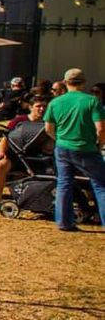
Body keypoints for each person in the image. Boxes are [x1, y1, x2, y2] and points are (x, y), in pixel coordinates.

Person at [43, 68, 105, 230]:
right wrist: (99, 144)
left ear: (65, 82)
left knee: (64, 183)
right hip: (87, 147)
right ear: (84, 82)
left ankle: (64, 222)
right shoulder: (92, 101)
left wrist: (59, 139)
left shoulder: (55, 102)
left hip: (63, 147)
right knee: (100, 185)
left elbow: (48, 128)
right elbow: (100, 128)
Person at [0, 97, 53, 210]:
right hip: (16, 155)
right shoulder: (19, 121)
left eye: (44, 106)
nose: (42, 109)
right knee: (0, 165)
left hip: (37, 157)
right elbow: (5, 139)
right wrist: (1, 152)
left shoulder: (48, 123)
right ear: (31, 107)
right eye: (38, 106)